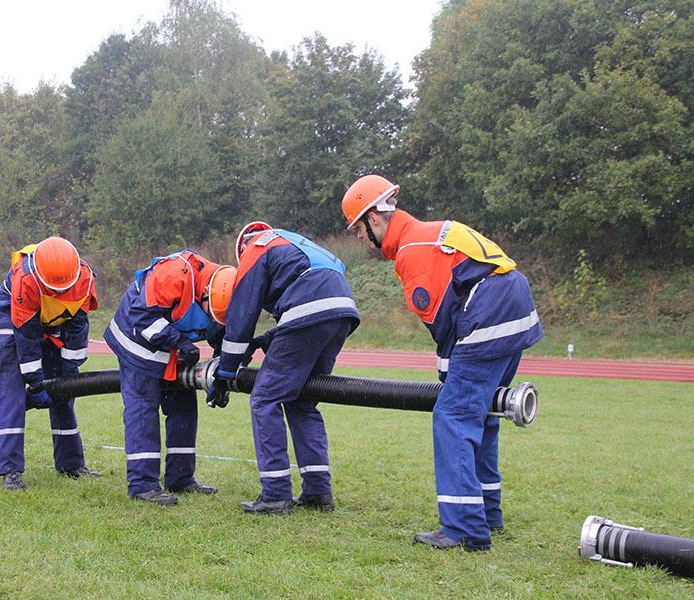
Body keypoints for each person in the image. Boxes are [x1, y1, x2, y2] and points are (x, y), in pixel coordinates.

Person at [341, 174, 543, 550]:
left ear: (374, 219)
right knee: (484, 412)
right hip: (514, 303)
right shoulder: (431, 232)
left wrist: (447, 372)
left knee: (453, 417)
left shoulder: (412, 250)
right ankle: (487, 513)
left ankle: (465, 528)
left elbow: (443, 321)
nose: (359, 237)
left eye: (358, 228)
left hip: (487, 310)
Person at [212, 222, 360, 515]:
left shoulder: (256, 249)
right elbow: (304, 299)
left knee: (265, 399)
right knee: (302, 401)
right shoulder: (293, 243)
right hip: (342, 312)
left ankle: (275, 494)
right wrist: (263, 342)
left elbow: (243, 314)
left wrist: (225, 372)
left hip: (310, 310)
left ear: (242, 248)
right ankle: (318, 491)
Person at [104, 250, 236, 505]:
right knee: (143, 408)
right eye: (209, 313)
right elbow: (142, 317)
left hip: (171, 346)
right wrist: (179, 342)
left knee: (184, 407)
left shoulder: (226, 289)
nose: (211, 319)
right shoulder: (174, 274)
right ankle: (142, 485)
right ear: (204, 292)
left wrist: (223, 371)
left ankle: (180, 477)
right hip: (136, 340)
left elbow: (223, 330)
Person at [0, 236, 101, 490]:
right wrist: (36, 383)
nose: (59, 292)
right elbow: (26, 336)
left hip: (52, 322)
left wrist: (69, 372)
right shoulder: (26, 278)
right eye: (54, 288)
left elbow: (78, 326)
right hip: (11, 321)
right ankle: (10, 470)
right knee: (12, 392)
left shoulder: (84, 277)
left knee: (64, 393)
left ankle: (71, 464)